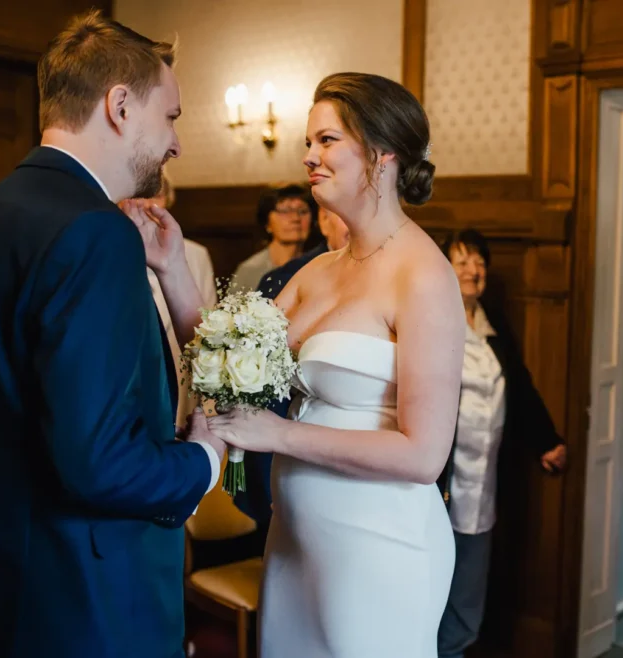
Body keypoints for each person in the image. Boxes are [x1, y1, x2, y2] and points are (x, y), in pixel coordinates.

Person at [0, 11, 225, 658]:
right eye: (170, 117)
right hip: (87, 599)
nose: (176, 144)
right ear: (118, 105)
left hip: (1, 580)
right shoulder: (94, 231)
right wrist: (202, 460)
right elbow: (99, 462)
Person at [201, 71, 463, 657]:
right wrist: (171, 267)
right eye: (309, 142)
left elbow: (424, 455)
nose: (308, 156)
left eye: (326, 141)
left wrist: (280, 433)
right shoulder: (319, 270)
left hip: (379, 544)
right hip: (296, 535)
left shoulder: (423, 275)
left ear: (381, 154)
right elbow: (229, 353)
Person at [436, 228, 567, 658]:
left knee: (470, 587)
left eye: (480, 262)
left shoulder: (492, 324)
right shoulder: (433, 323)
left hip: (485, 480)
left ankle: (453, 650)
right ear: (444, 270)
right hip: (438, 481)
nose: (474, 271)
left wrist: (546, 441)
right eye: (462, 262)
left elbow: (520, 388)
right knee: (432, 583)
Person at [233, 205, 350, 534]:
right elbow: (262, 385)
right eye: (344, 213)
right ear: (324, 221)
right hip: (292, 459)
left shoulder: (393, 275)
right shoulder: (288, 278)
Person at [142, 172, 217, 428]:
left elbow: (208, 326)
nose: (148, 204)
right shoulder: (114, 249)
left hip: (180, 374)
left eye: (156, 195)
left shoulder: (196, 254)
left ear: (167, 201)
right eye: (141, 195)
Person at [229, 182, 317, 292]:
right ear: (267, 223)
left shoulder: (318, 265)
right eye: (285, 211)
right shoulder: (250, 270)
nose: (295, 218)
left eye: (303, 211)